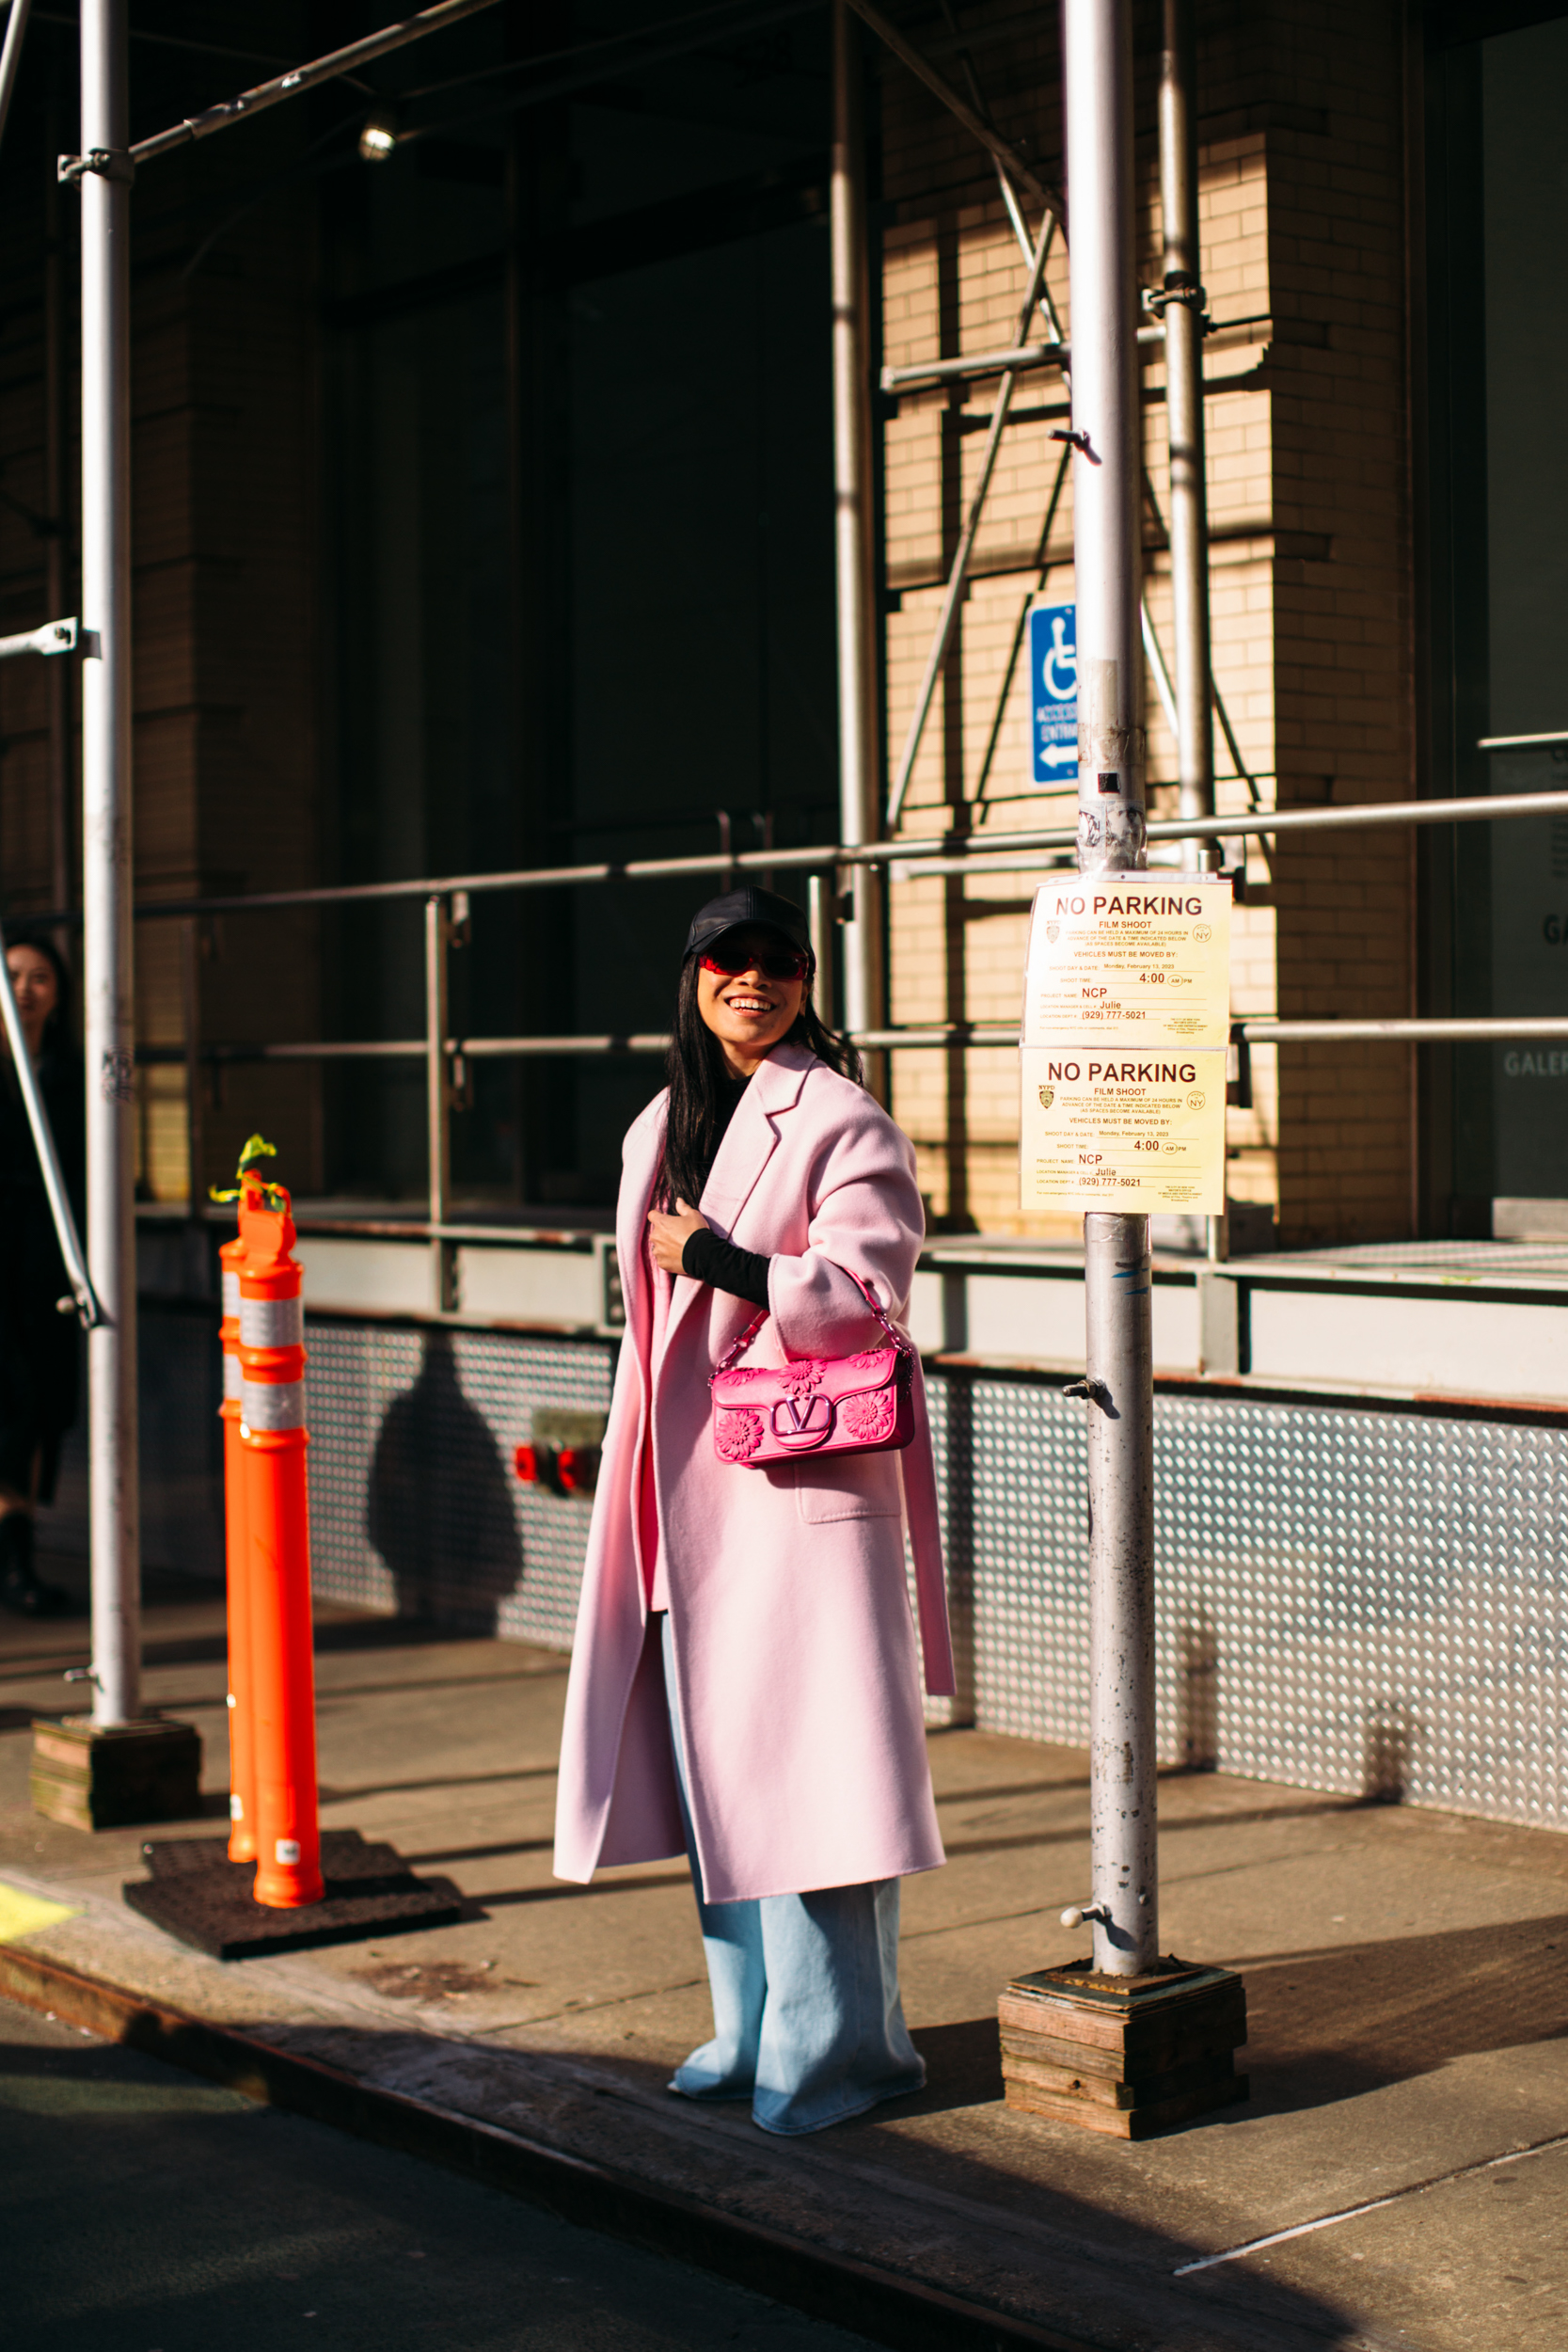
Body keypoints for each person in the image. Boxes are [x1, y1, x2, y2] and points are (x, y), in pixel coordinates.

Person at [554, 884, 955, 2135]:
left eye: (778, 959)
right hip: (678, 1505)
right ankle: (745, 2029)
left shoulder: (838, 1114)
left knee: (819, 1778)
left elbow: (866, 1283)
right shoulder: (659, 1124)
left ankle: (839, 2053)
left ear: (803, 977)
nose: (754, 977)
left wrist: (723, 1262)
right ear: (691, 976)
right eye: (728, 957)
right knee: (707, 1773)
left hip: (793, 1493)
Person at [0, 931, 82, 1616]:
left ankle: (18, 1559)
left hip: (43, 1261)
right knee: (12, 1406)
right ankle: (15, 1564)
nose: (26, 989)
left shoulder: (68, 1073)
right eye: (14, 975)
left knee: (39, 1412)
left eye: (41, 979)